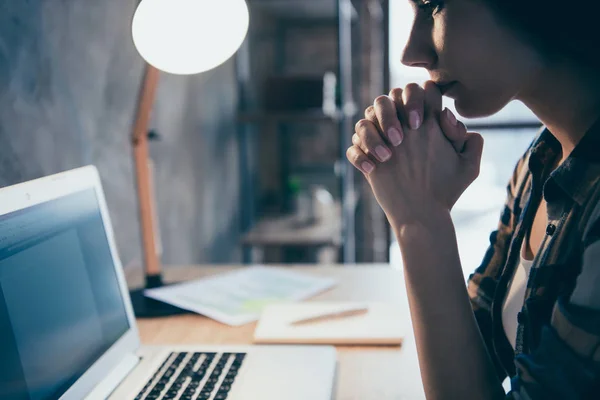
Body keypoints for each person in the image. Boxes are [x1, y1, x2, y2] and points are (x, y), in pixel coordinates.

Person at [346, 0, 600, 398]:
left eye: (433, 5)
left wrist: (421, 223)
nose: (411, 53)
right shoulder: (540, 163)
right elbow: (473, 353)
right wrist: (419, 213)